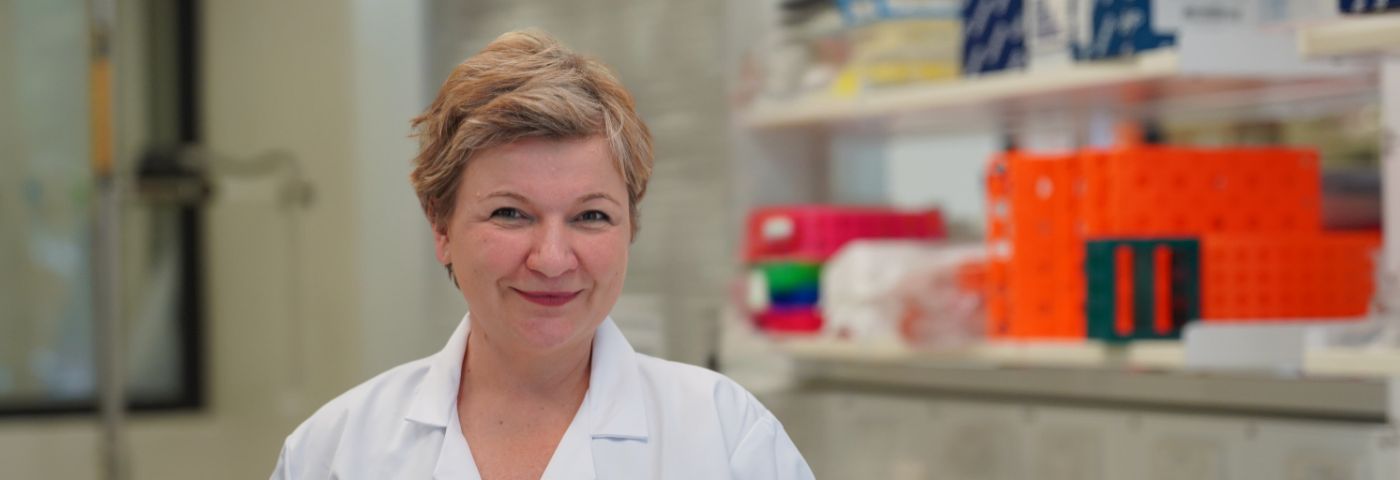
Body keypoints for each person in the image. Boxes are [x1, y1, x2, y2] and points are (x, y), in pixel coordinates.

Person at [270, 30, 814, 479]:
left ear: (631, 229)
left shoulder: (726, 437)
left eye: (591, 216)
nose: (553, 259)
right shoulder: (336, 452)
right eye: (511, 213)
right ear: (441, 226)